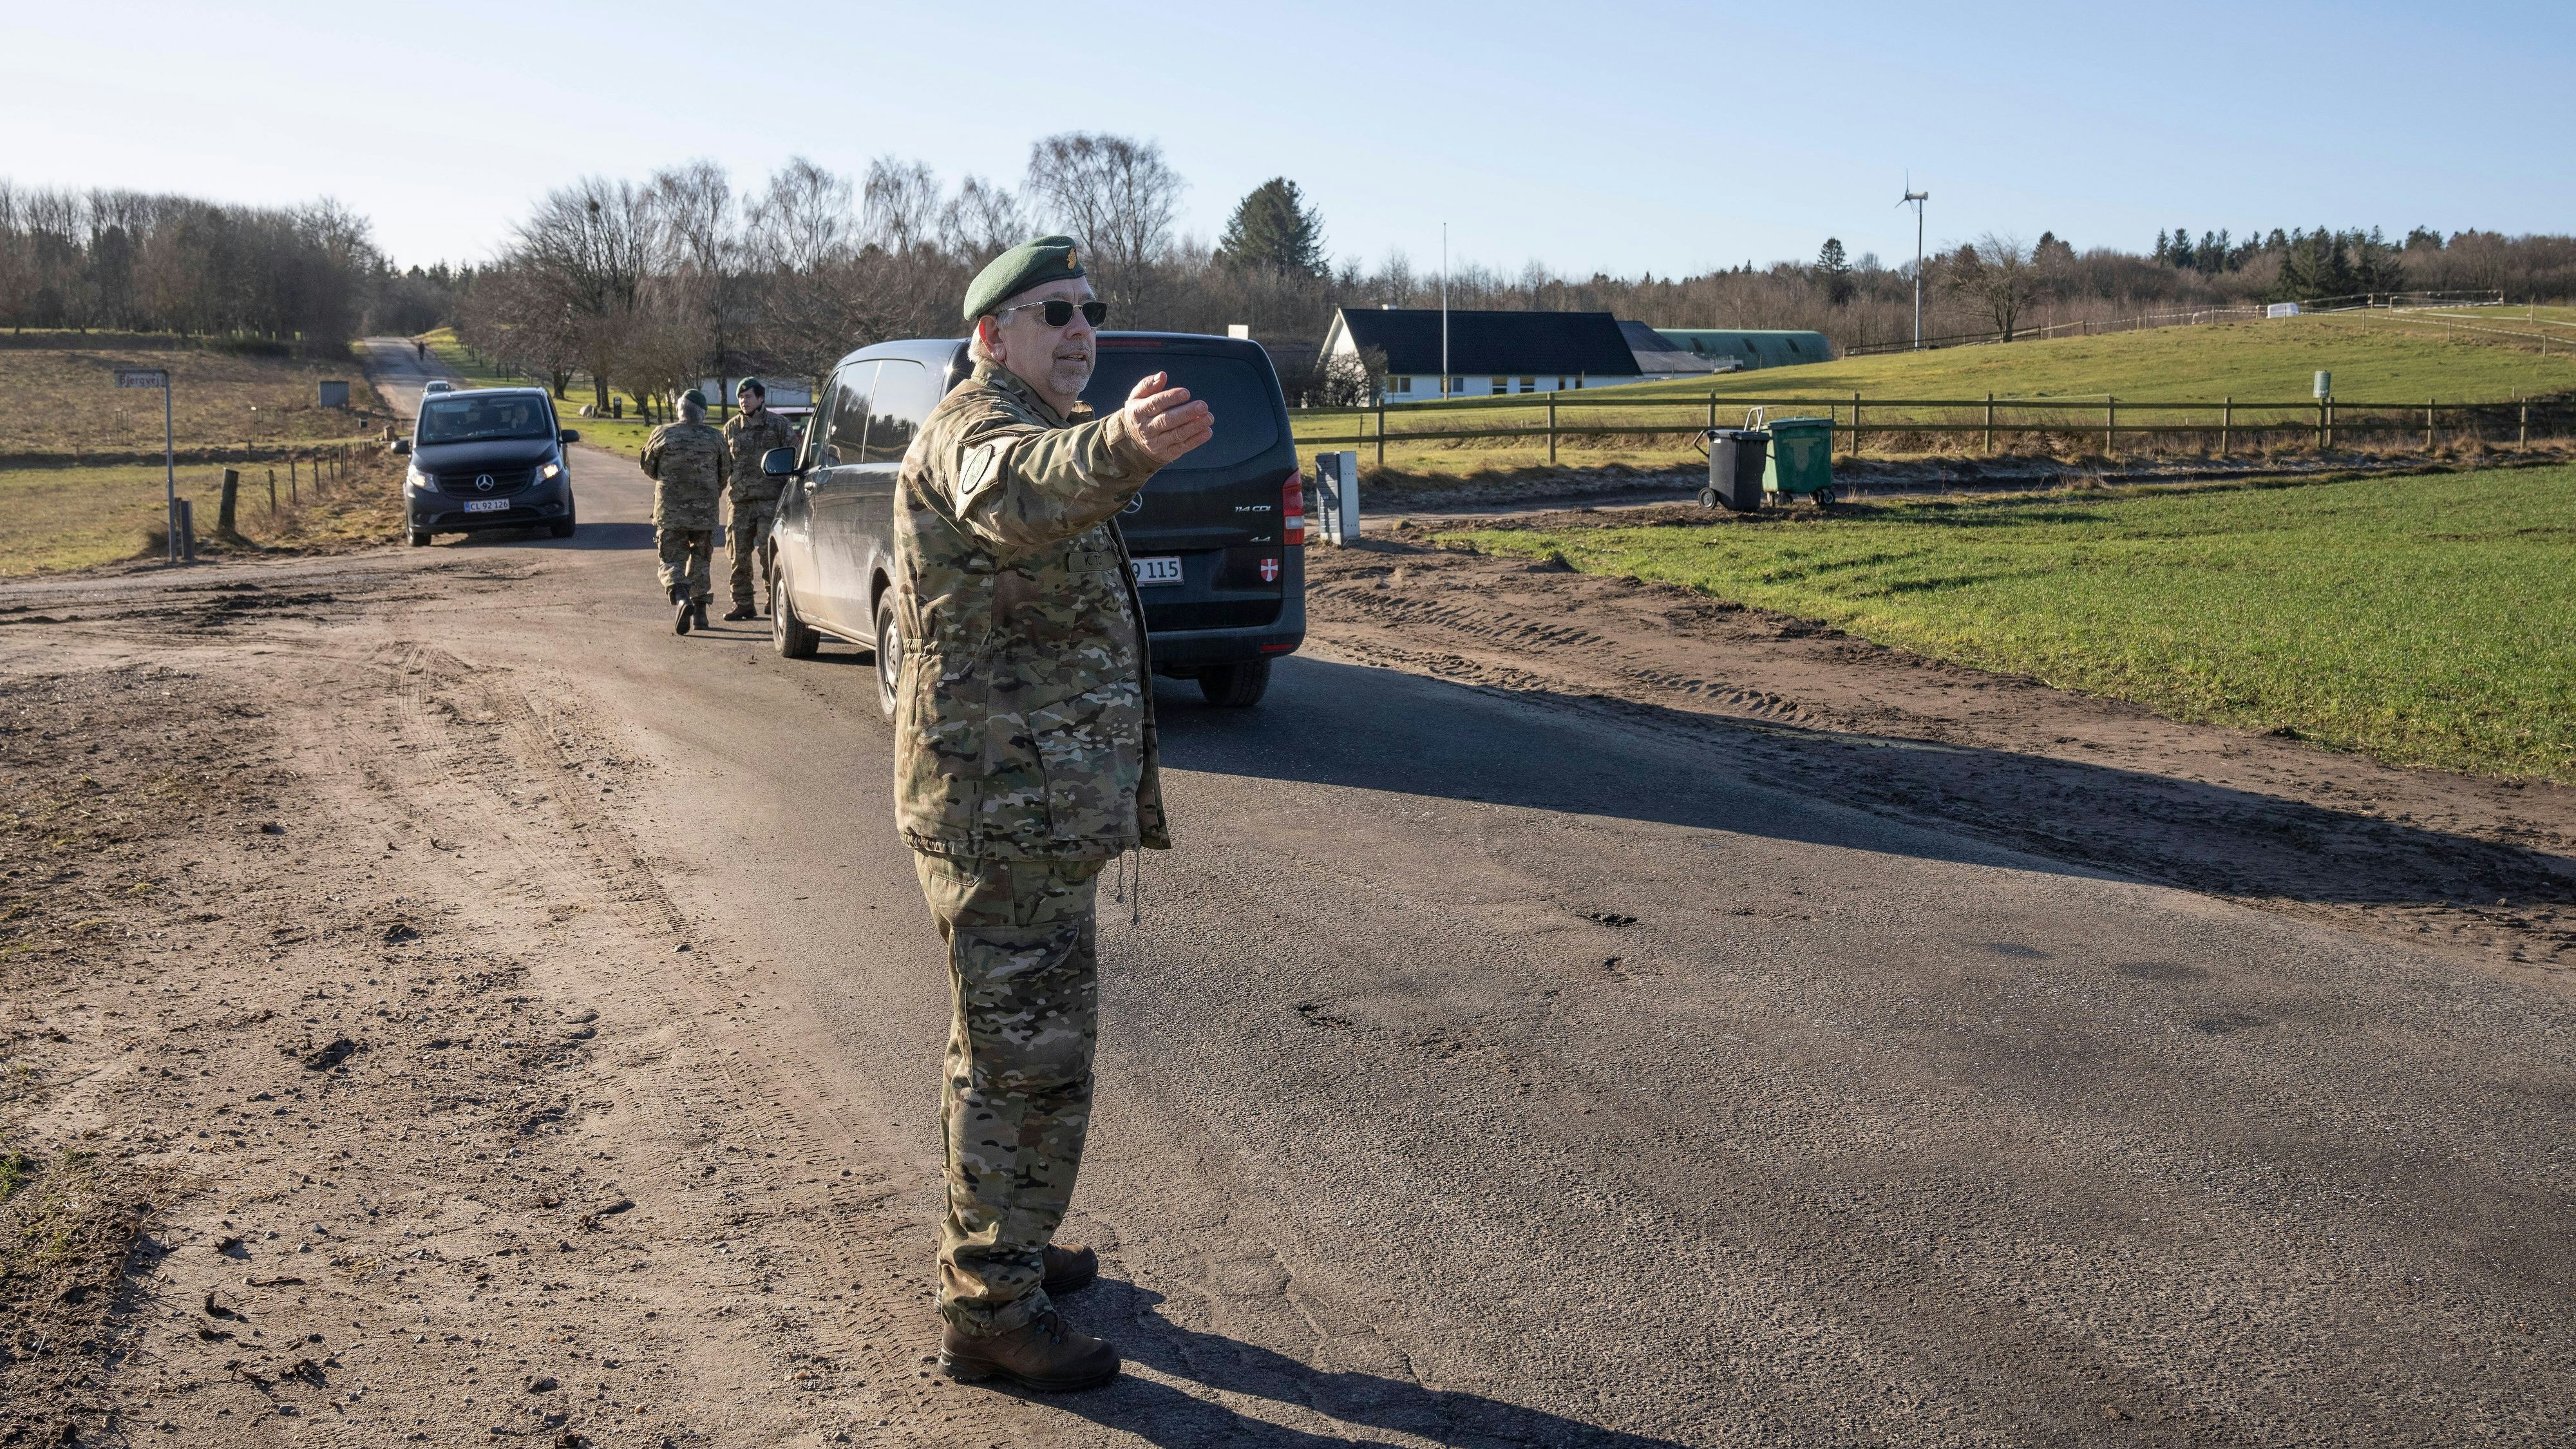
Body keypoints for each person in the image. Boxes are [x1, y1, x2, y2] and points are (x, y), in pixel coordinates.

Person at [895, 236, 1212, 1393]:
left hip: (1027, 811)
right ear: (992, 335)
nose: (1081, 329)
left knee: (1007, 1050)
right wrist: (1122, 443)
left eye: (1090, 310)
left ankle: (1007, 1243)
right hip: (1001, 816)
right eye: (1053, 312)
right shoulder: (978, 431)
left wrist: (1106, 440)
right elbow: (1016, 493)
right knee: (1023, 1066)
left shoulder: (1031, 420)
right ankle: (989, 1308)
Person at [640, 389, 728, 634]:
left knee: (671, 560)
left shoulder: (662, 433)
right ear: (703, 414)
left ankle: (681, 598)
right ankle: (700, 615)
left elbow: (648, 467)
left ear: (679, 410)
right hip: (705, 513)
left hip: (671, 512)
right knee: (701, 560)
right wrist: (710, 490)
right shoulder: (715, 438)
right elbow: (725, 472)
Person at [720, 378, 799, 620]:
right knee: (738, 555)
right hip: (740, 502)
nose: (744, 401)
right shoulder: (731, 429)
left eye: (749, 397)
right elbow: (722, 465)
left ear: (761, 398)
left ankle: (774, 598)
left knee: (770, 554)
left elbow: (794, 456)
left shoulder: (778, 425)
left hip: (770, 501)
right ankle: (743, 603)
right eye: (741, 397)